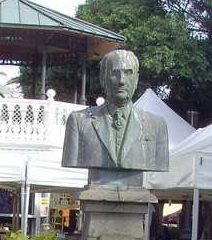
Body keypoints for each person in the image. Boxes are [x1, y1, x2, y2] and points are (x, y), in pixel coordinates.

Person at [61, 49, 169, 184]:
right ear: (102, 78)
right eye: (114, 73)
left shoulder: (156, 125)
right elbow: (72, 157)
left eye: (128, 73)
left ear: (136, 79)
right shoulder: (79, 122)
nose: (122, 81)